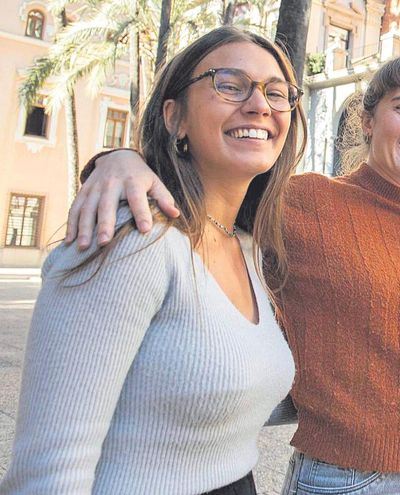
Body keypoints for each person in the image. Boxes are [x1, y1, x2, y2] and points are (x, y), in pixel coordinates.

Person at [61, 56, 400, 494]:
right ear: (368, 122)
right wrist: (120, 159)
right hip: (354, 478)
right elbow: (201, 177)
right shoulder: (307, 199)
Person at [0, 27, 304, 494]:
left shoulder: (250, 250)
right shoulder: (131, 238)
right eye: (229, 83)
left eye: (277, 93)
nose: (260, 104)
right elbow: (49, 470)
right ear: (174, 115)